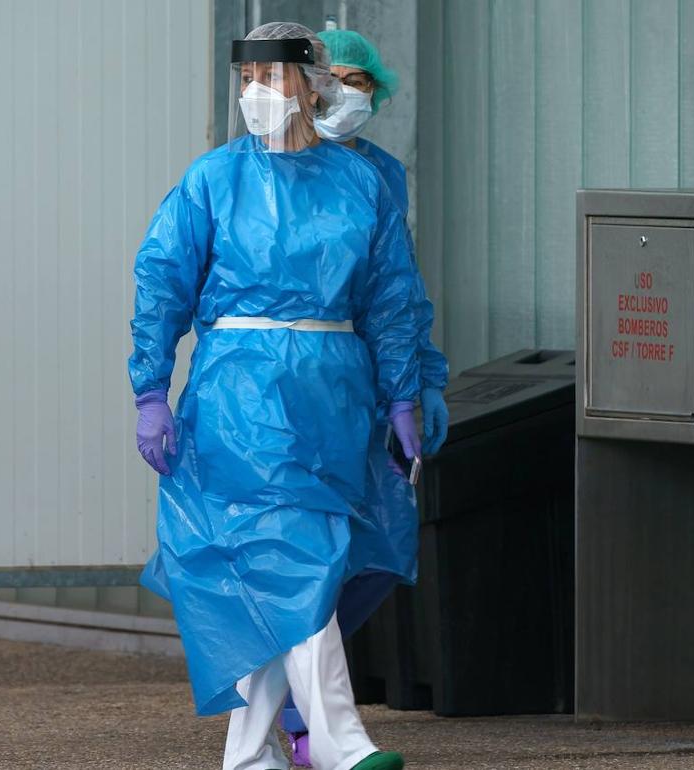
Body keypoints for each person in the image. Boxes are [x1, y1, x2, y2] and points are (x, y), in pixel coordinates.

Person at [130, 21, 422, 770]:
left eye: (271, 76)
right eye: (246, 78)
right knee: (299, 555)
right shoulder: (213, 179)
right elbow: (161, 281)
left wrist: (404, 393)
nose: (255, 92)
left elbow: (392, 296)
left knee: (280, 567)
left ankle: (249, 754)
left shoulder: (357, 182)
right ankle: (341, 742)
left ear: (310, 84)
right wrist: (150, 388)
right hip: (242, 395)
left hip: (333, 394)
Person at [279, 29, 451, 766]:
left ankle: (297, 696)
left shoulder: (381, 172)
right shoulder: (268, 168)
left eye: (361, 81)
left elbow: (399, 286)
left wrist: (421, 380)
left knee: (381, 547)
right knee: (306, 548)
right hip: (295, 378)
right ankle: (306, 720)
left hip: (373, 375)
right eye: (335, 78)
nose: (346, 94)